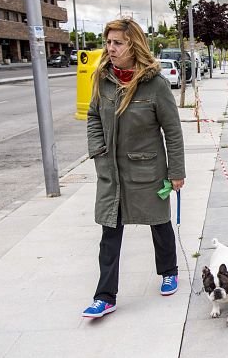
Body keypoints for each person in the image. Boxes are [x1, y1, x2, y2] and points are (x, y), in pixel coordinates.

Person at [82, 18, 185, 318]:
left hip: (147, 170)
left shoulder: (155, 84)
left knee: (159, 222)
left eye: (117, 43)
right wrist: (98, 150)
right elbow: (92, 116)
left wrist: (176, 171)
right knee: (109, 233)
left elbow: (173, 130)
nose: (110, 49)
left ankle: (169, 271)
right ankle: (105, 296)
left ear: (133, 45)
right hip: (111, 171)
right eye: (108, 42)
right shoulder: (102, 78)